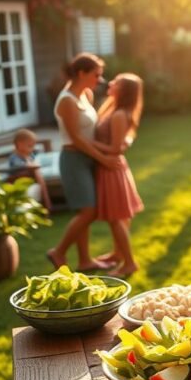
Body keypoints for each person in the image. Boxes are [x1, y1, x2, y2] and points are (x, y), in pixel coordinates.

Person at [46, 53, 118, 272]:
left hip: (88, 157)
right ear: (81, 73)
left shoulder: (86, 94)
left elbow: (90, 132)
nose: (100, 79)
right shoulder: (66, 100)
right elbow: (77, 139)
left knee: (85, 212)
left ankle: (85, 260)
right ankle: (58, 252)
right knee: (89, 211)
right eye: (96, 75)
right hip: (73, 160)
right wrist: (103, 158)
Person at [94, 73, 145, 278]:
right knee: (119, 216)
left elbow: (115, 149)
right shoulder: (115, 110)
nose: (111, 83)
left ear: (123, 90)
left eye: (116, 82)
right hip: (112, 168)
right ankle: (117, 254)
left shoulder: (119, 115)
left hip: (111, 168)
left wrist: (84, 142)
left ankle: (129, 263)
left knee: (116, 218)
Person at [7, 128, 52, 210]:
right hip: (16, 179)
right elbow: (20, 167)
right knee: (36, 171)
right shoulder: (14, 157)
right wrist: (28, 162)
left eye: (33, 146)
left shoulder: (29, 154)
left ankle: (47, 202)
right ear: (19, 144)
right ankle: (47, 203)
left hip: (30, 177)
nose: (32, 148)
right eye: (30, 146)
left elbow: (35, 160)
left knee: (37, 171)